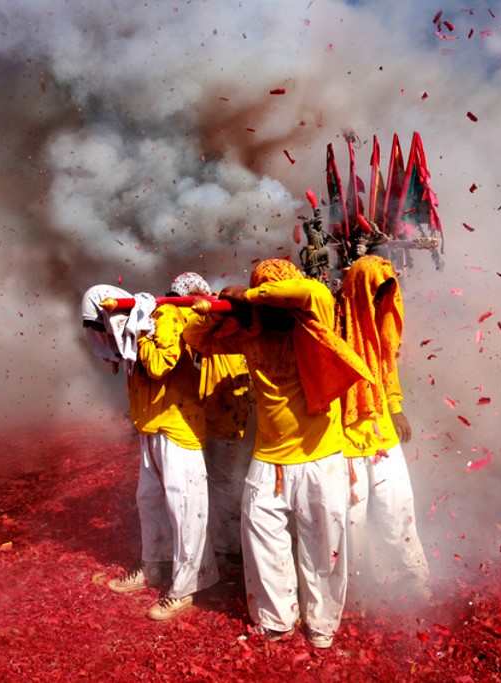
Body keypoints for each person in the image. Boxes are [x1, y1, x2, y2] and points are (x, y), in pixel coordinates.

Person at [183, 259, 372, 649]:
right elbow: (196, 339)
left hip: (321, 455)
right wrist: (217, 313)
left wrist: (248, 295)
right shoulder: (251, 335)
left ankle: (321, 624)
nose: (271, 304)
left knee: (324, 546)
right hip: (269, 458)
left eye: (273, 294)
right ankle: (277, 617)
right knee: (262, 541)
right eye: (263, 293)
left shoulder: (314, 315)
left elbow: (310, 291)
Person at [80, 283, 218, 621]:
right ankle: (154, 566)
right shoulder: (136, 323)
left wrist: (142, 333)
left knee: (185, 507)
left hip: (177, 429)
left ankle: (187, 586)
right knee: (150, 501)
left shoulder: (163, 316)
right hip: (152, 428)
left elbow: (159, 367)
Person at [339, 256, 430, 607]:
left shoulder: (380, 329)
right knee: (351, 521)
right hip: (345, 440)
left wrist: (396, 408)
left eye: (386, 294)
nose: (382, 302)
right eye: (376, 293)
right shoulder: (335, 322)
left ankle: (414, 582)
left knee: (398, 508)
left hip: (382, 434)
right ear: (361, 290)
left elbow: (387, 369)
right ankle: (359, 591)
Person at [168, 273, 253, 569]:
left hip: (227, 416)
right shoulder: (197, 325)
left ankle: (229, 548)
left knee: (225, 483)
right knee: (222, 482)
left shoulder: (222, 323)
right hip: (214, 416)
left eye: (195, 296)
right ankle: (226, 543)